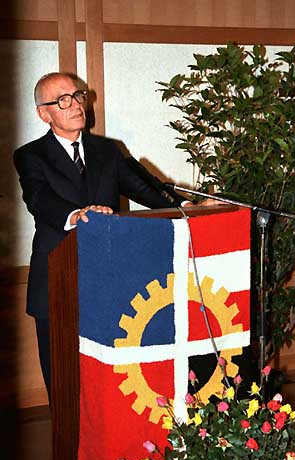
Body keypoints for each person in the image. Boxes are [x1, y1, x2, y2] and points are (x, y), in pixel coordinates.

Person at [13, 71, 188, 401]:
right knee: (63, 381)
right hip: (56, 280)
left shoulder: (108, 151)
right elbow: (38, 198)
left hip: (109, 280)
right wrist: (75, 216)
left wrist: (188, 205)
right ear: (43, 113)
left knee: (109, 380)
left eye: (78, 95)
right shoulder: (30, 155)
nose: (76, 104)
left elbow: (147, 188)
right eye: (63, 100)